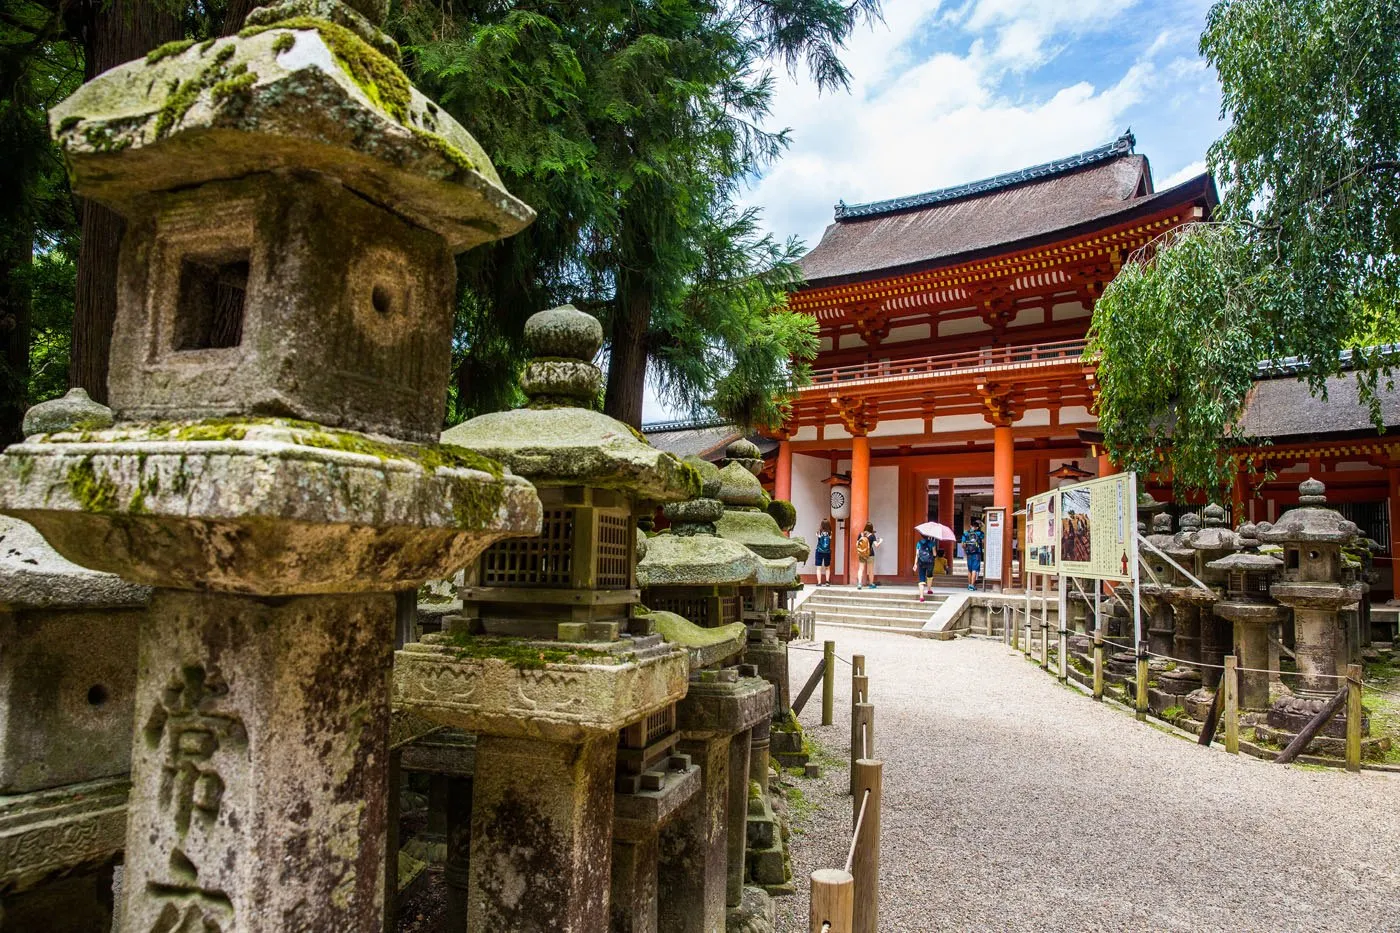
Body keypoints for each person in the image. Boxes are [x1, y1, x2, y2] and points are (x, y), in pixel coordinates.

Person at [854, 522, 881, 589]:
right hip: (870, 554)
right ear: (871, 528)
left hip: (862, 554)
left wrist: (861, 551)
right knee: (870, 570)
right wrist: (880, 541)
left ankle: (859, 583)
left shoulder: (861, 534)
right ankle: (871, 584)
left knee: (860, 569)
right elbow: (876, 545)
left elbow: (857, 544)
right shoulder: (872, 535)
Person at [912, 533, 938, 602]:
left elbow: (917, 554)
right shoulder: (932, 543)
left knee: (921, 579)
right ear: (928, 535)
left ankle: (921, 597)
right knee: (929, 575)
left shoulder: (919, 543)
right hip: (930, 562)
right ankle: (929, 590)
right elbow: (935, 554)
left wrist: (915, 564)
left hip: (921, 563)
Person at [961, 518, 985, 591]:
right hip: (977, 553)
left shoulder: (966, 533)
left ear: (971, 525)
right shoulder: (980, 533)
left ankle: (969, 585)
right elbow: (983, 542)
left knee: (969, 569)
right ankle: (972, 585)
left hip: (969, 553)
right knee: (974, 569)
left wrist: (967, 549)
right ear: (977, 527)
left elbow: (963, 545)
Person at [813, 518, 833, 586]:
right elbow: (830, 539)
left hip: (819, 551)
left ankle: (819, 582)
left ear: (822, 525)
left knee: (819, 567)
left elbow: (817, 537)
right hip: (827, 552)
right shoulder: (830, 532)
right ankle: (827, 582)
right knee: (827, 567)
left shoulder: (819, 532)